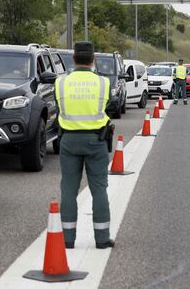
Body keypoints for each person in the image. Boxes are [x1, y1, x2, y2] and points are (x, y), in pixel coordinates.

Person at [55, 41, 115, 249]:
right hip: (96, 141)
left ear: (73, 58)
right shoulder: (103, 83)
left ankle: (67, 239)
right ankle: (102, 239)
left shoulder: (60, 82)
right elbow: (107, 105)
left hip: (69, 141)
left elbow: (59, 106)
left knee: (69, 189)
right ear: (93, 59)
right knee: (99, 189)